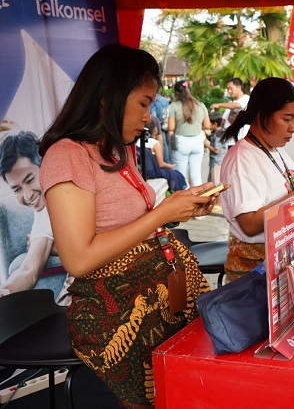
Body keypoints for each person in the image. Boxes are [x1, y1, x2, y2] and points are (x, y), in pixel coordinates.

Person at [38, 44, 219, 407]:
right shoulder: (68, 156)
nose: (149, 116)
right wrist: (161, 214)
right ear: (108, 97)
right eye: (144, 103)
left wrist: (183, 210)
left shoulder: (117, 150)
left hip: (160, 302)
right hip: (117, 319)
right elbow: (78, 259)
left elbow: (130, 225)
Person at [220, 77, 294, 280]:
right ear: (261, 115)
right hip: (254, 276)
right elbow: (249, 225)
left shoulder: (274, 149)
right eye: (286, 119)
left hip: (282, 263)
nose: (293, 127)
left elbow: (287, 192)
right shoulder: (242, 158)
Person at [0, 131, 71, 304]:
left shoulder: (68, 191)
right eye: (17, 189)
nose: (28, 194)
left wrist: (55, 247)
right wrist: (5, 291)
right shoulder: (42, 214)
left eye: (30, 179)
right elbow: (28, 270)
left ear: (46, 166)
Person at [168, 80, 210, 188]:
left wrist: (171, 146)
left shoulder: (174, 106)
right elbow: (207, 125)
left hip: (181, 142)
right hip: (197, 141)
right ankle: (201, 201)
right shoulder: (200, 105)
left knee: (181, 177)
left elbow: (171, 128)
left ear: (176, 93)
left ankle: (186, 202)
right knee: (196, 176)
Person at [142, 121, 187, 193]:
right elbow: (161, 164)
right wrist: (170, 166)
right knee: (177, 175)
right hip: (153, 171)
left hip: (144, 171)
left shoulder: (138, 142)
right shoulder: (154, 143)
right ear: (155, 130)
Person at [205, 113, 227, 185]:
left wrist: (206, 145)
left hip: (216, 162)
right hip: (216, 162)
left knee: (215, 184)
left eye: (209, 123)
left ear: (215, 124)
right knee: (210, 182)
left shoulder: (218, 135)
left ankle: (217, 196)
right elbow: (211, 139)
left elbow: (217, 150)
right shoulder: (217, 132)